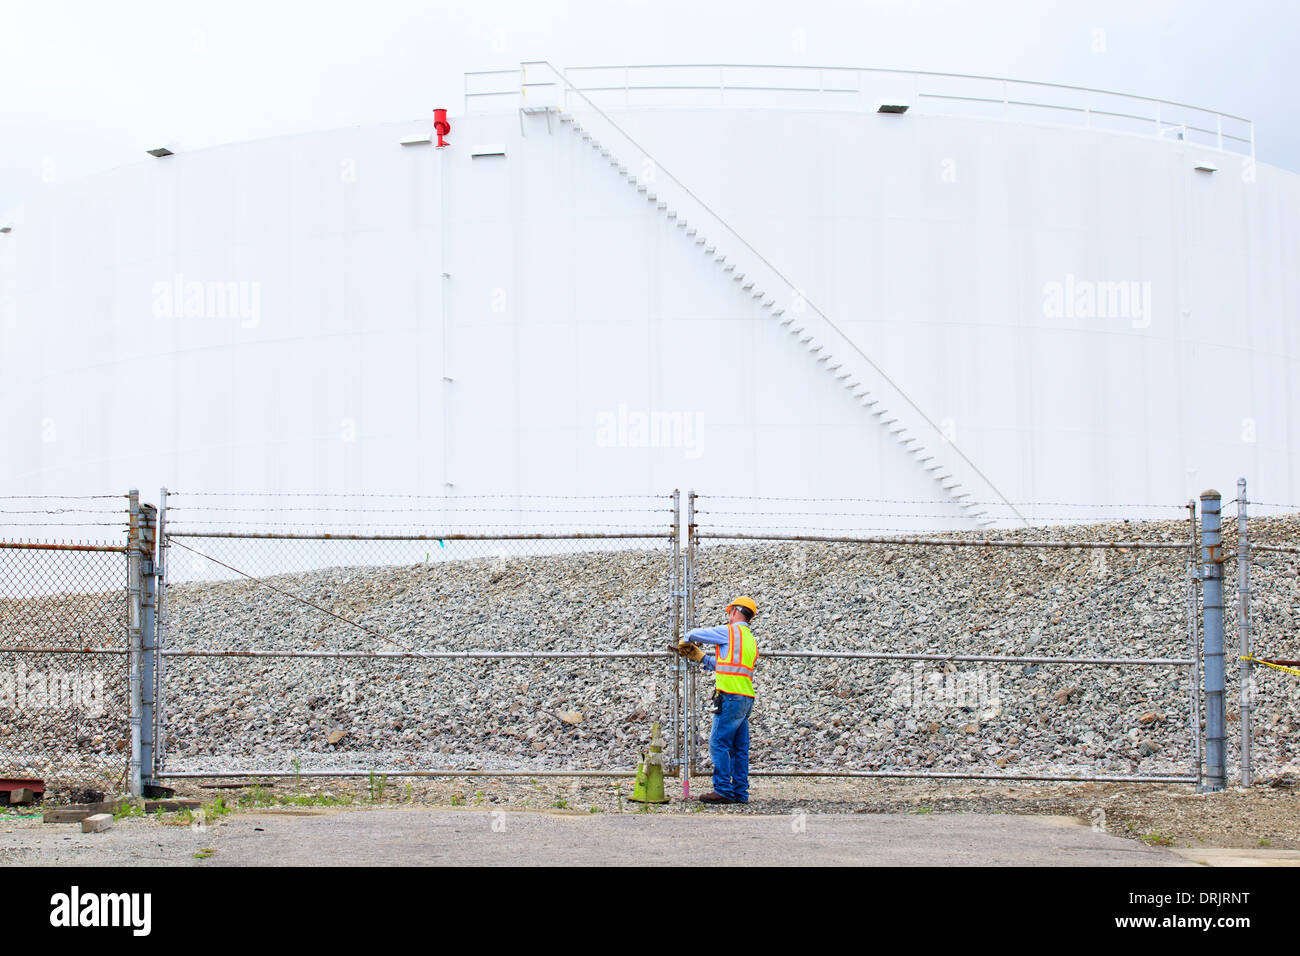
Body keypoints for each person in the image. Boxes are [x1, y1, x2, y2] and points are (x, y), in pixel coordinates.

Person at [674, 596, 759, 804]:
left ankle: (723, 789)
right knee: (739, 748)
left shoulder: (730, 632)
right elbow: (725, 665)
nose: (728, 616)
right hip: (746, 697)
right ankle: (740, 792)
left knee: (718, 743)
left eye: (730, 612)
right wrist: (702, 657)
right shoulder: (749, 639)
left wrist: (686, 640)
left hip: (729, 695)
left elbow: (694, 633)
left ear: (735, 612)